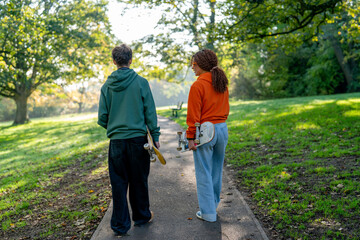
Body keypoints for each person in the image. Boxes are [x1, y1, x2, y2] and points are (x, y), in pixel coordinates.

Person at [97, 44, 160, 236]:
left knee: (118, 183)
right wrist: (155, 136)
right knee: (139, 180)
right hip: (138, 141)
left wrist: (116, 127)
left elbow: (102, 118)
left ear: (114, 61)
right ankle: (141, 216)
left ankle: (119, 225)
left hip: (116, 142)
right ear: (130, 60)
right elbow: (150, 112)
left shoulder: (107, 86)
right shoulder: (141, 82)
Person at [186, 49, 230, 222]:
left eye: (193, 64)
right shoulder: (222, 83)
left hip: (205, 132)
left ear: (200, 65)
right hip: (222, 129)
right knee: (216, 171)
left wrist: (190, 137)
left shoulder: (198, 85)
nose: (192, 68)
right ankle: (213, 205)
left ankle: (208, 213)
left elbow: (193, 115)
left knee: (203, 171)